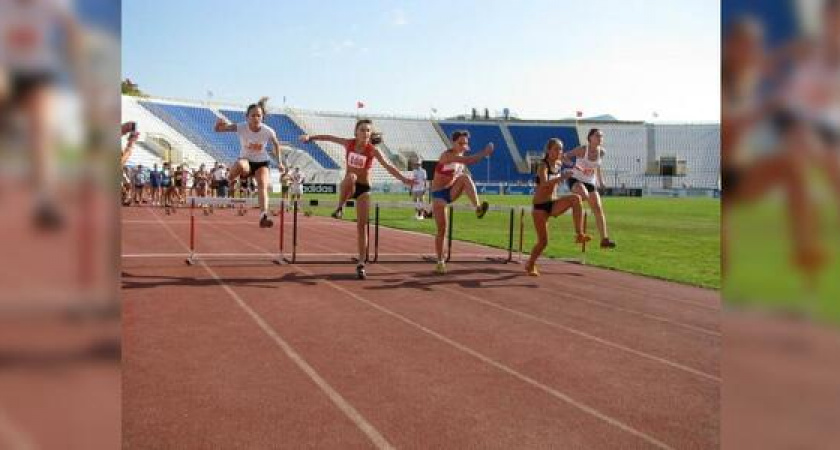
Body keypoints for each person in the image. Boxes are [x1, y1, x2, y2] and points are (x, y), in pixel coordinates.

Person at [300, 119, 413, 279]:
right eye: (362, 130)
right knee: (351, 176)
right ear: (356, 132)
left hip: (363, 188)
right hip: (348, 185)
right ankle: (340, 207)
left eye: (368, 130)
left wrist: (404, 179)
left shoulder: (372, 150)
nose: (365, 133)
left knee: (362, 227)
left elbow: (389, 167)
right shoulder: (349, 143)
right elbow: (329, 138)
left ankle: (361, 263)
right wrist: (310, 138)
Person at [214, 97, 285, 227]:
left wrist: (279, 162)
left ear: (262, 117)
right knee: (241, 164)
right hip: (246, 161)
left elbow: (276, 144)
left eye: (259, 115)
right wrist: (218, 123)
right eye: (253, 115)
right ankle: (226, 180)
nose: (256, 118)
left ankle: (263, 216)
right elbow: (218, 130)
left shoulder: (268, 131)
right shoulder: (241, 127)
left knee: (263, 185)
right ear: (247, 117)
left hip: (262, 162)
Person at [429, 130, 493, 274]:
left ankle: (478, 208)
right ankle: (440, 261)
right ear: (453, 143)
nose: (463, 146)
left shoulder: (461, 156)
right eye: (460, 143)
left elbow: (462, 170)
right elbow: (469, 160)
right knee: (442, 229)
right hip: (438, 194)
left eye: (465, 143)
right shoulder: (447, 155)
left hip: (451, 191)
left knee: (465, 178)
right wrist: (484, 153)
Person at [524, 138, 591, 276]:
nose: (559, 151)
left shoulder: (559, 162)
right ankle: (530, 263)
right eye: (556, 149)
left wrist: (578, 168)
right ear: (548, 150)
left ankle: (579, 234)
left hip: (553, 203)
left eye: (561, 149)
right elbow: (544, 184)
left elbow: (568, 161)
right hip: (540, 207)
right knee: (543, 242)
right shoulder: (543, 165)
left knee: (576, 198)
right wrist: (562, 177)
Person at [563, 128, 616, 249]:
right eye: (597, 136)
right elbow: (564, 156)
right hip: (576, 179)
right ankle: (569, 203)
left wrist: (601, 181)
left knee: (598, 208)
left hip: (590, 182)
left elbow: (597, 167)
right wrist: (573, 165)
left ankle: (604, 239)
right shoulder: (582, 149)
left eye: (601, 136)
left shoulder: (602, 152)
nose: (600, 138)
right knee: (584, 193)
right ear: (590, 137)